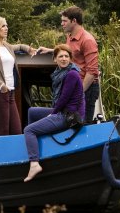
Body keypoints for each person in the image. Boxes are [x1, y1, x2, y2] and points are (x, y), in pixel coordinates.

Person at [23, 44, 84, 182]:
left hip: (69, 116)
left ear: (70, 59)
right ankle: (34, 146)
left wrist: (53, 113)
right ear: (55, 59)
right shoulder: (60, 73)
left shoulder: (72, 74)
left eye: (66, 56)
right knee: (32, 111)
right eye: (60, 56)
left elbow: (63, 99)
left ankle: (34, 163)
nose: (64, 59)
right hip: (64, 111)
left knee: (29, 130)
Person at [37, 6, 100, 122]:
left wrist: (79, 93)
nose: (62, 24)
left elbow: (92, 72)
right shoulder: (70, 37)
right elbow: (70, 53)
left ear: (74, 21)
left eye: (64, 21)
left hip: (86, 88)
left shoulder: (88, 40)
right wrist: (51, 50)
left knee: (82, 124)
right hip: (74, 85)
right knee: (70, 122)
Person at [0, 16, 36, 136]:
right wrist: (1, 85)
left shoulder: (6, 46)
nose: (6, 28)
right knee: (3, 132)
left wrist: (29, 49)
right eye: (3, 26)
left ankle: (16, 155)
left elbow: (19, 46)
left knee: (16, 130)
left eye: (6, 25)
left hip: (10, 93)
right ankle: (1, 154)